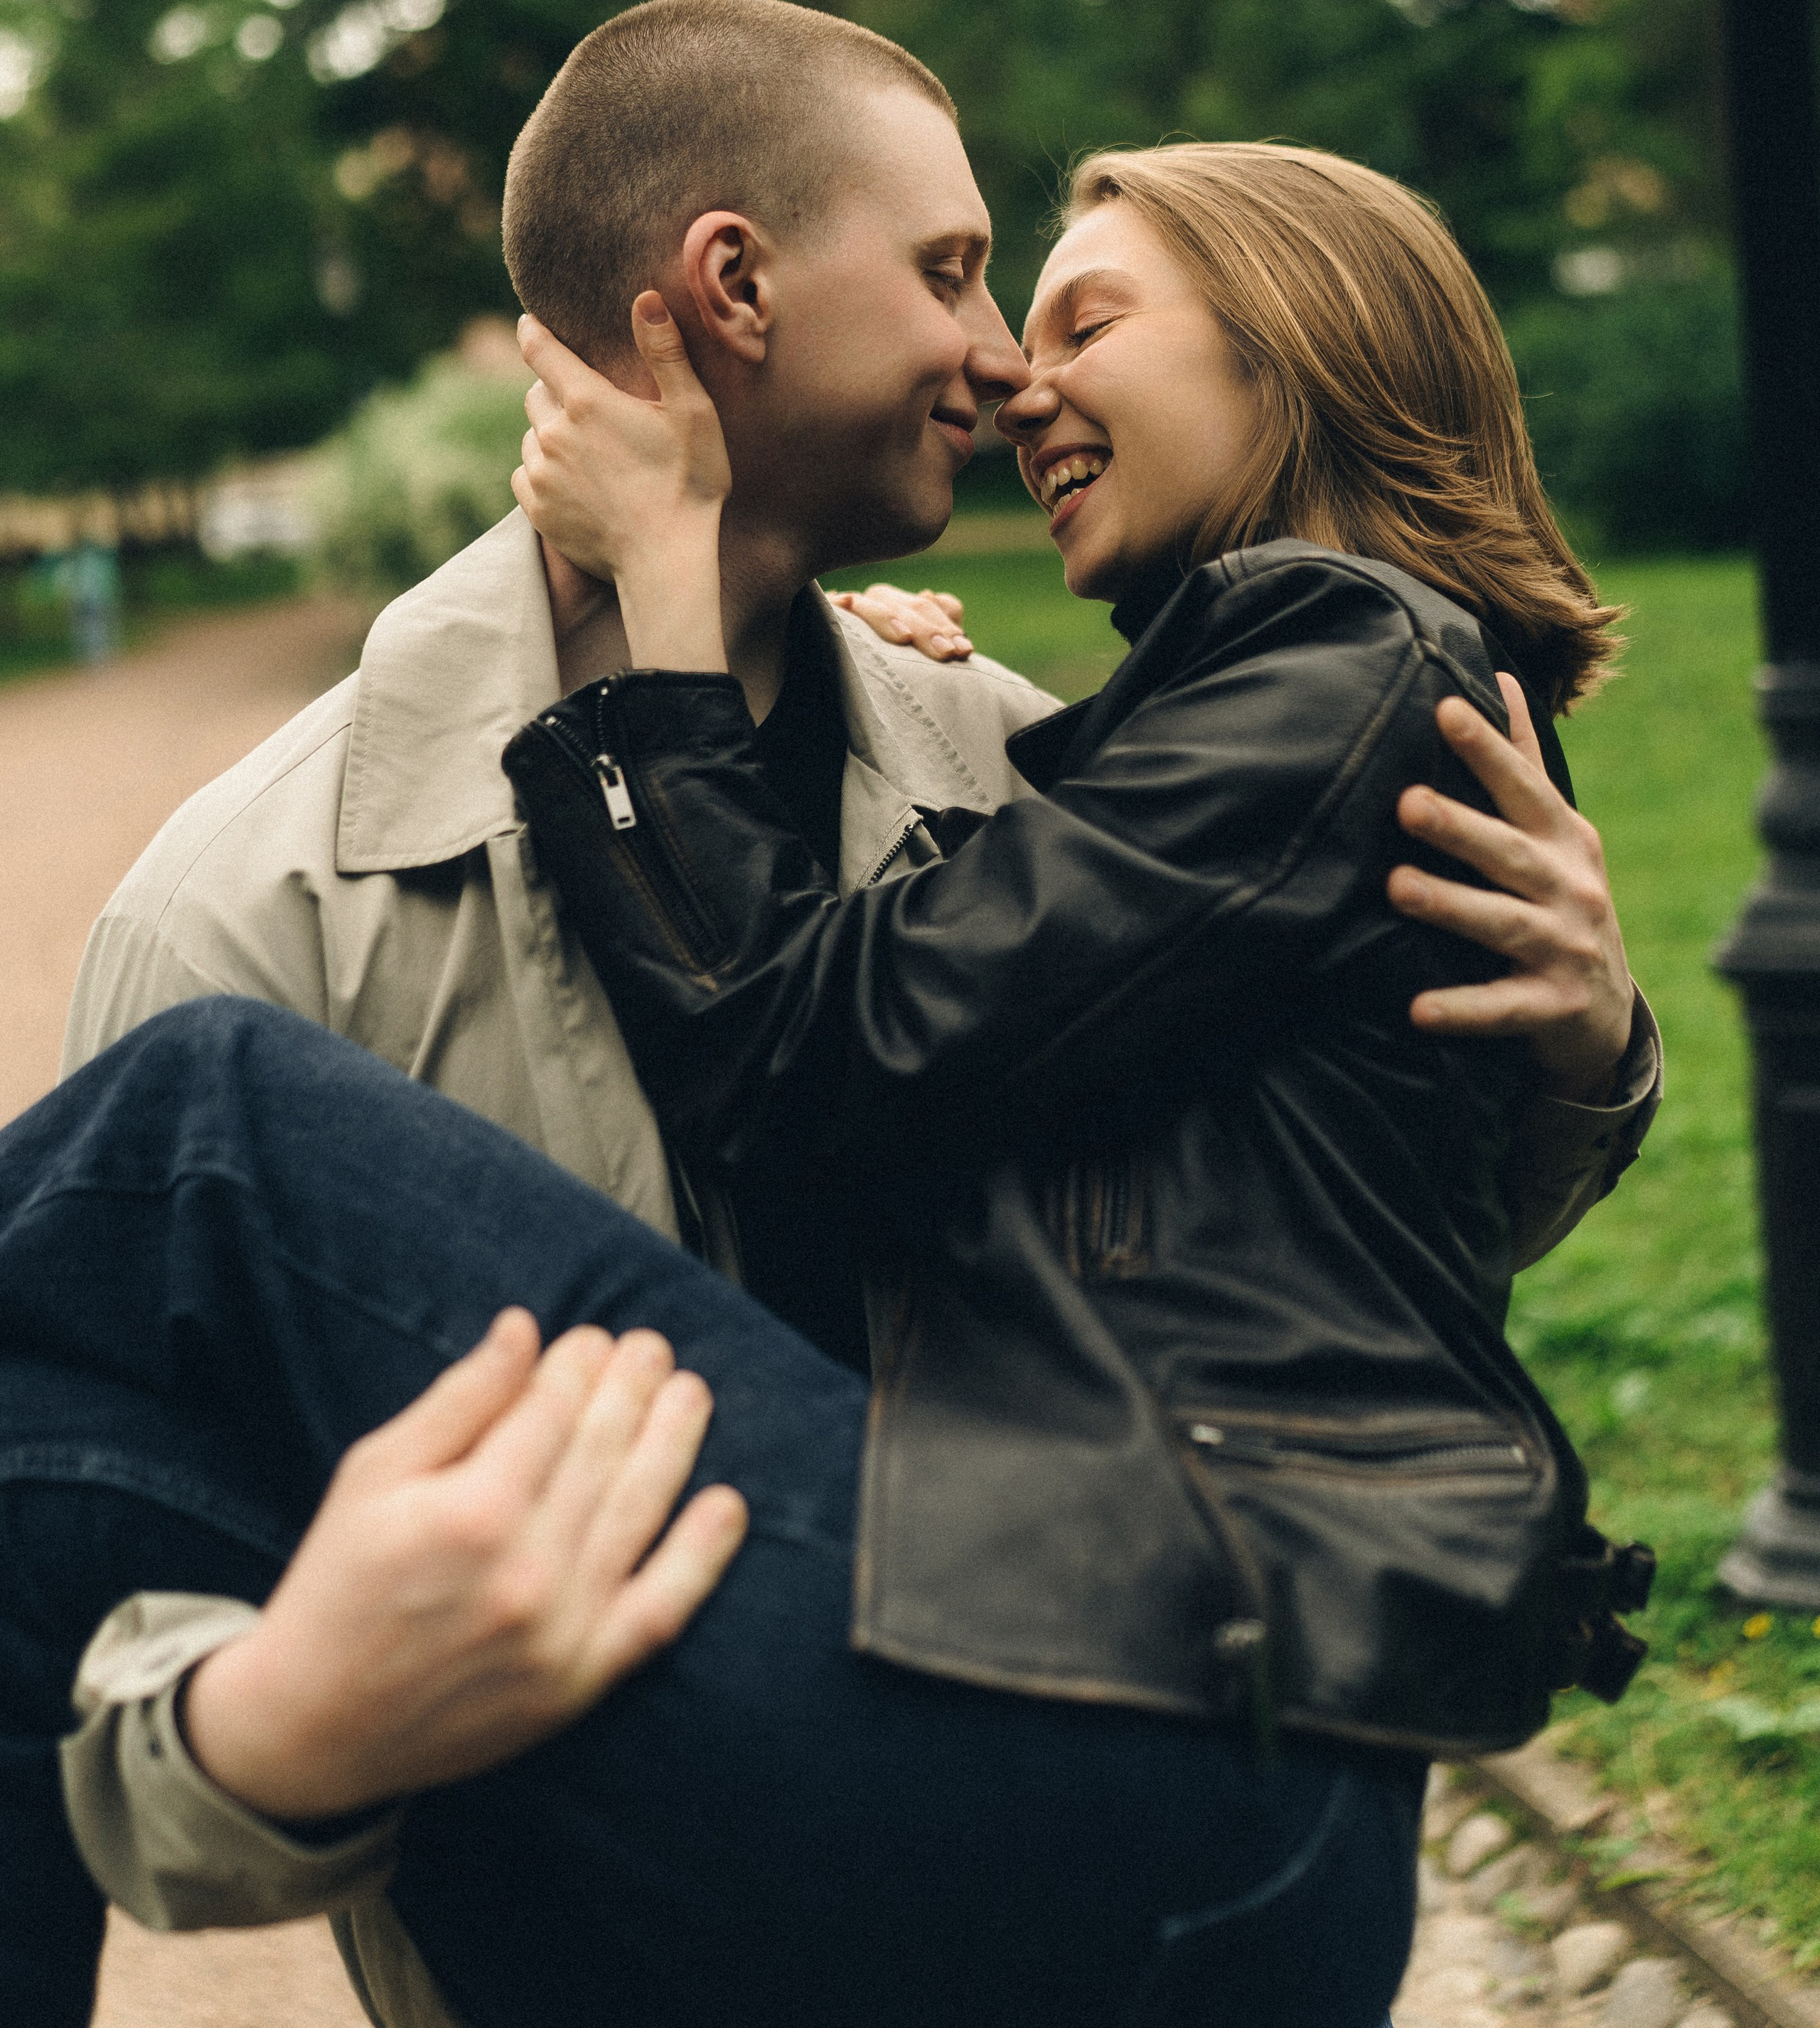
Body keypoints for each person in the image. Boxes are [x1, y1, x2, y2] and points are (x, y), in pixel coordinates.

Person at [5, 142, 1654, 2028]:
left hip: (1118, 1739)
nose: (1013, 373)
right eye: (966, 283)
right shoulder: (253, 891)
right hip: (957, 1783)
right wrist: (280, 1724)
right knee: (53, 1486)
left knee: (204, 1120)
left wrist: (672, 631)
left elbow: (815, 1058)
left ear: (1296, 346)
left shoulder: (1298, 685)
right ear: (723, 291)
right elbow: (1271, 1186)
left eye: (1070, 313)